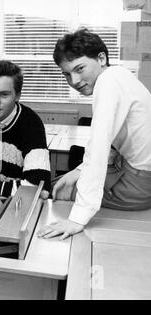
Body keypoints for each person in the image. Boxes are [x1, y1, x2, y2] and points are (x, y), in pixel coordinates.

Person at [38, 29, 151, 240]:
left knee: (57, 190)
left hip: (138, 185)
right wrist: (78, 171)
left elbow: (98, 148)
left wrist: (77, 220)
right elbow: (112, 146)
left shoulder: (108, 83)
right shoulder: (120, 75)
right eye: (67, 74)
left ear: (101, 58)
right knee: (63, 180)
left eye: (80, 68)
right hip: (136, 175)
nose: (75, 80)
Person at [0, 60, 51, 197]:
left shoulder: (31, 124)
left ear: (17, 96)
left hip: (20, 204)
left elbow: (37, 188)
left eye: (4, 94)